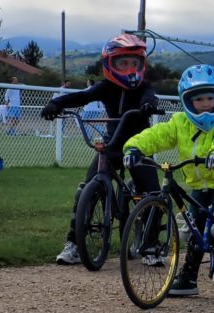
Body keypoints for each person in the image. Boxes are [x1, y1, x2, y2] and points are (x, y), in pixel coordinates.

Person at [124, 64, 214, 305]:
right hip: (199, 185)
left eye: (210, 98)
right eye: (198, 99)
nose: (205, 104)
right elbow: (158, 135)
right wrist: (135, 147)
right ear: (187, 101)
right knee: (194, 229)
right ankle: (188, 278)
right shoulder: (180, 122)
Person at [40, 34, 161, 265]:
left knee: (152, 193)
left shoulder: (144, 87)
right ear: (109, 64)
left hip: (140, 146)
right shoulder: (105, 87)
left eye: (133, 63)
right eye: (122, 63)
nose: (128, 68)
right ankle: (74, 243)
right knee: (87, 189)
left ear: (141, 65)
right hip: (112, 144)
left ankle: (152, 245)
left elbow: (150, 96)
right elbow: (82, 97)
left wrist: (149, 105)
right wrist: (56, 104)